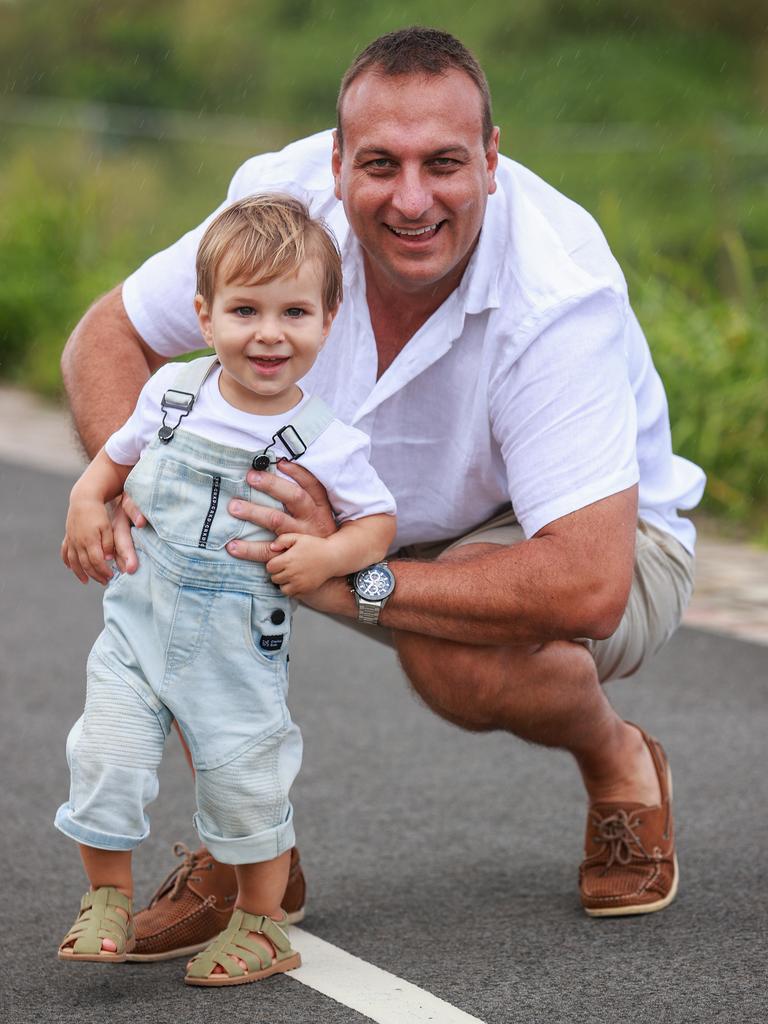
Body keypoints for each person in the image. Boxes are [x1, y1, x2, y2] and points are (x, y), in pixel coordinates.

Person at [60, 26, 705, 957]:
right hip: (354, 508)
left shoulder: (556, 292)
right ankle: (251, 854)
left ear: (491, 159)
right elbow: (108, 335)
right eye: (380, 165)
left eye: (444, 163)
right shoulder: (284, 207)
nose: (412, 200)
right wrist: (129, 492)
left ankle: (620, 763)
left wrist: (351, 581)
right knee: (188, 532)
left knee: (452, 659)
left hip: (595, 531)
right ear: (335, 163)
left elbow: (589, 584)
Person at [55, 194, 397, 986]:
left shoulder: (327, 440)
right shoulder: (171, 394)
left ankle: (262, 923)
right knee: (102, 758)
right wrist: (85, 497)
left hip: (238, 644)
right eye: (245, 309)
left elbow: (377, 523)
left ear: (329, 319)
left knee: (247, 783)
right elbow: (114, 458)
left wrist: (328, 554)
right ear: (205, 317)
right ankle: (107, 899)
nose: (269, 332)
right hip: (136, 627)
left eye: (294, 311)